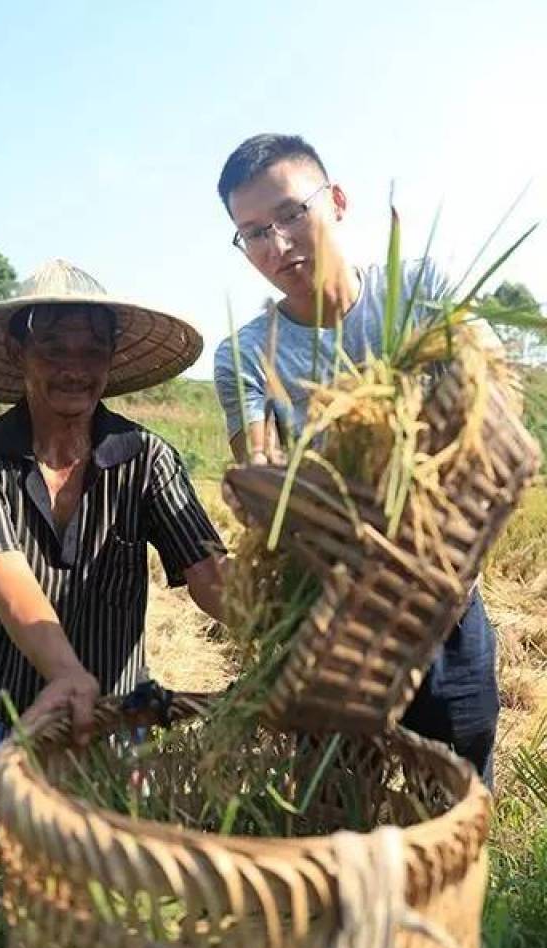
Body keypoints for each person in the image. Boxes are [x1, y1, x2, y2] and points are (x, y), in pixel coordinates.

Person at [0, 259, 226, 880]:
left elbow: (208, 573)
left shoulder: (146, 458)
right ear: (17, 351)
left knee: (92, 910)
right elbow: (6, 574)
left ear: (113, 358)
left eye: (92, 349)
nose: (74, 368)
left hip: (107, 729)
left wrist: (287, 627)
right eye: (53, 347)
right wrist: (66, 674)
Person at [213, 133, 500, 786]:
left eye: (290, 214)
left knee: (456, 802)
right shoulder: (245, 355)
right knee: (339, 810)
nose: (277, 245)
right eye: (252, 232)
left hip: (444, 599)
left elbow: (488, 398)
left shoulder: (419, 289)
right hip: (326, 619)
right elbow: (263, 468)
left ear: (336, 201)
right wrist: (260, 489)